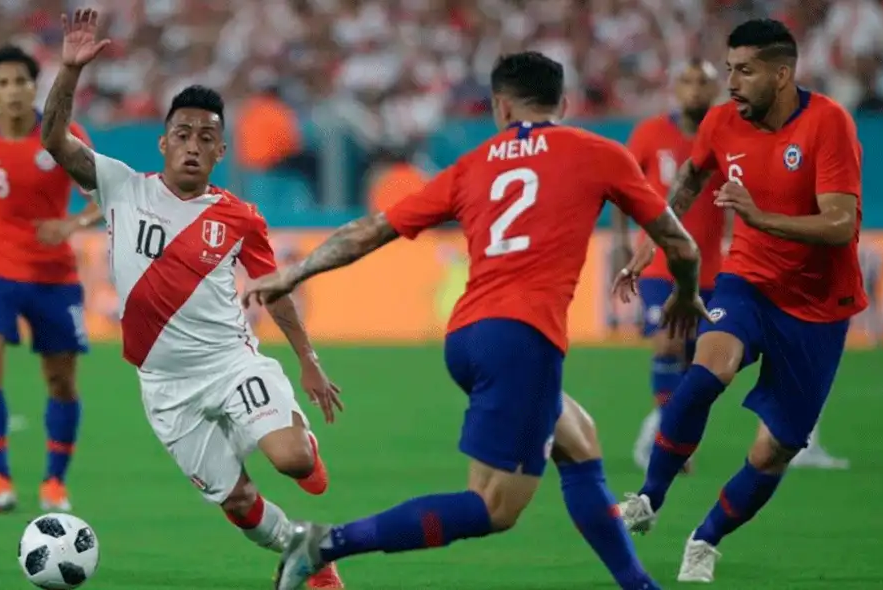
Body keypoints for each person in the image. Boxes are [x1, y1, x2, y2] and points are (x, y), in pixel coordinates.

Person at [244, 50, 709, 590]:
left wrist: (294, 272)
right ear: (564, 102)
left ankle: (638, 584)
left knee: (578, 439)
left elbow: (371, 229)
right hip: (523, 338)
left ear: (501, 107)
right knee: (493, 508)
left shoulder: (474, 164)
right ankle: (324, 543)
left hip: (469, 335)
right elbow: (680, 243)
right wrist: (686, 293)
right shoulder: (598, 152)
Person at [39, 10, 345, 588]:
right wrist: (69, 71)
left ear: (221, 150)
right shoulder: (120, 186)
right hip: (164, 387)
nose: (193, 147)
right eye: (183, 135)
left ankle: (300, 442)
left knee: (293, 462)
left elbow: (275, 292)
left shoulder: (239, 216)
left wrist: (308, 360)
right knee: (237, 503)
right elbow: (53, 139)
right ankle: (307, 554)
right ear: (164, 142)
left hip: (230, 364)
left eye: (207, 138)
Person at [613, 19, 865, 583]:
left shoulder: (829, 124)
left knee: (773, 452)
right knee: (706, 370)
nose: (730, 83)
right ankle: (649, 498)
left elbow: (841, 223)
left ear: (782, 74)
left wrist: (757, 216)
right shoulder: (723, 123)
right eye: (728, 69)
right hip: (748, 281)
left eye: (744, 71)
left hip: (820, 307)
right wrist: (649, 244)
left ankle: (705, 538)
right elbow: (687, 180)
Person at [0, 44, 102, 513]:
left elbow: (106, 195)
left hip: (54, 276)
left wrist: (71, 225)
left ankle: (54, 483)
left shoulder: (63, 135)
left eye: (21, 81)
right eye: (4, 83)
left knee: (60, 380)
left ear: (35, 86)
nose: (14, 91)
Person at [613, 59, 725, 473]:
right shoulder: (649, 133)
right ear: (675, 89)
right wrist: (624, 244)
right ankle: (663, 439)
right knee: (668, 344)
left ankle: (665, 432)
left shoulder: (726, 137)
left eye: (703, 83)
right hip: (660, 263)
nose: (695, 90)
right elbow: (624, 187)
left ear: (715, 90)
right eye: (687, 82)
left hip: (712, 269)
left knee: (699, 366)